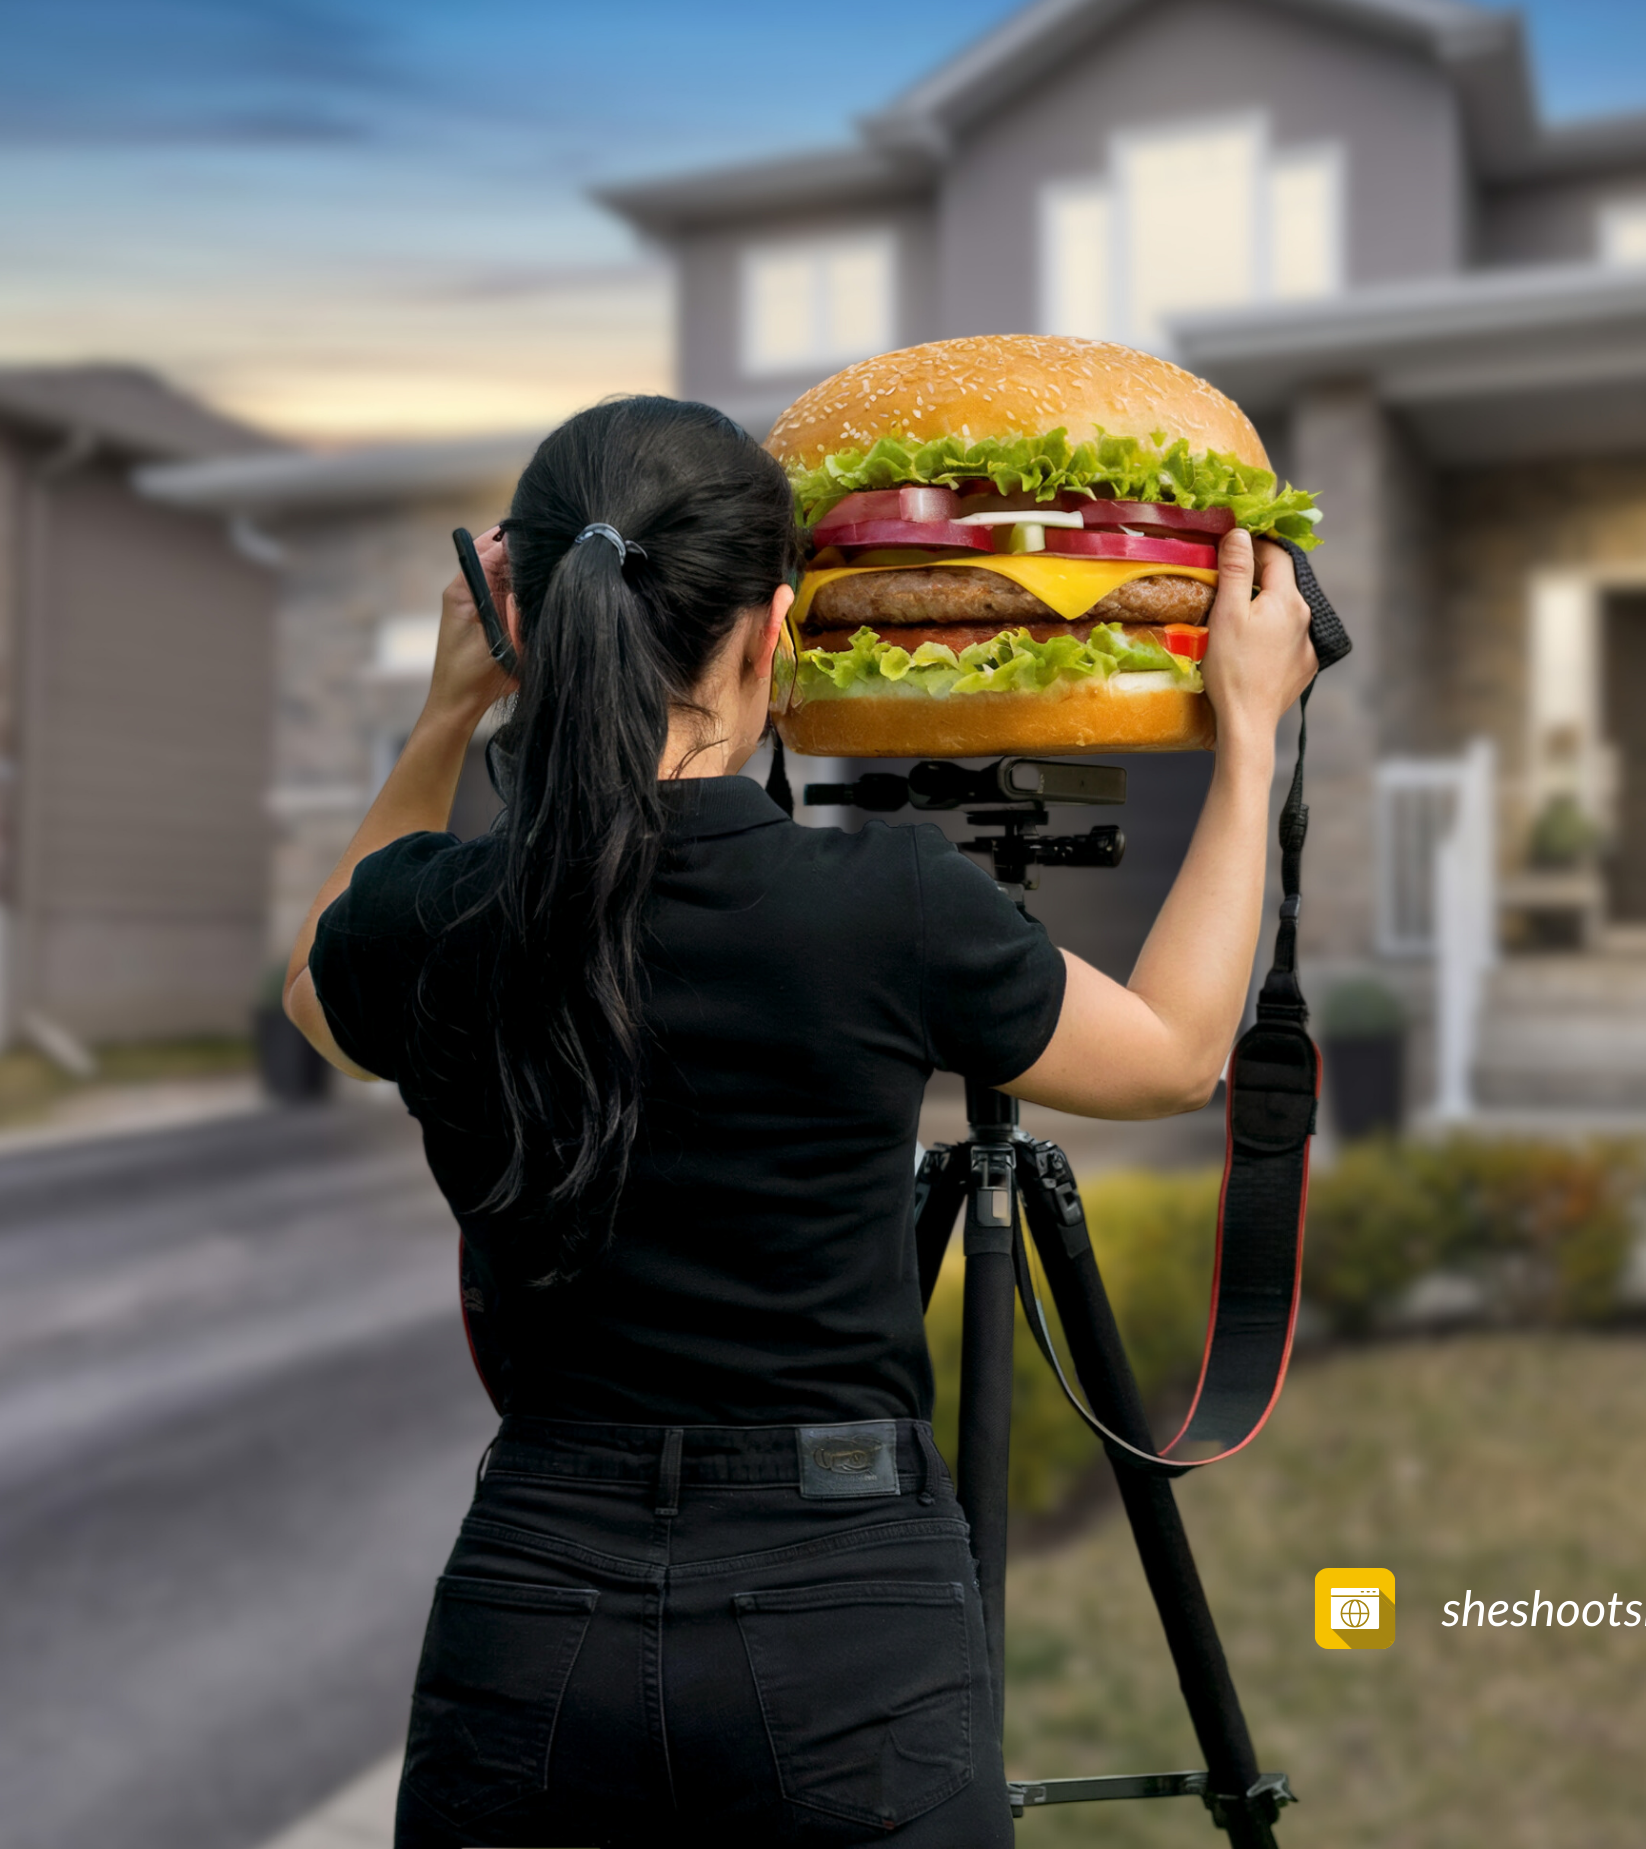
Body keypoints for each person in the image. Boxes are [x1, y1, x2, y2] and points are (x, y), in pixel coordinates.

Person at [284, 396, 1316, 1848]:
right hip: (847, 1615)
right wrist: (1250, 740)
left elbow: (316, 990)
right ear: (775, 631)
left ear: (524, 623)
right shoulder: (886, 904)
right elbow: (1173, 1056)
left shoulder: (435, 920)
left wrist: (450, 712)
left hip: (531, 1602)